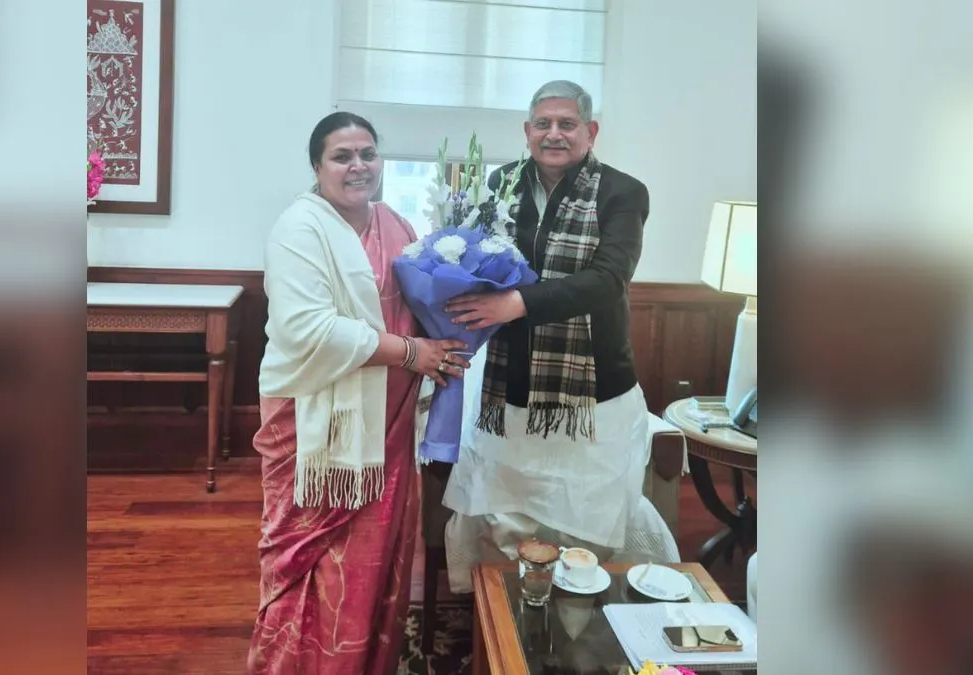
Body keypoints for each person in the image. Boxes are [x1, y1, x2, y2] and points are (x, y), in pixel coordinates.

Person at [245, 112, 469, 675]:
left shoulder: (397, 225)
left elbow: (422, 304)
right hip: (313, 418)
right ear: (316, 166)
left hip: (388, 419)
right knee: (306, 558)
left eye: (368, 153)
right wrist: (413, 353)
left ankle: (364, 660)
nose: (358, 166)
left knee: (375, 556)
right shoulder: (299, 229)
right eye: (342, 156)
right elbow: (309, 330)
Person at [441, 80, 679, 592]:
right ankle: (510, 611)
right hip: (511, 383)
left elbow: (607, 279)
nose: (554, 134)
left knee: (585, 521)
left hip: (592, 395)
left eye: (567, 124)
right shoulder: (501, 183)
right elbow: (482, 261)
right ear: (527, 131)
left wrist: (518, 303)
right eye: (543, 124)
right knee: (507, 518)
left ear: (590, 132)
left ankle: (581, 609)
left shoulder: (622, 192)